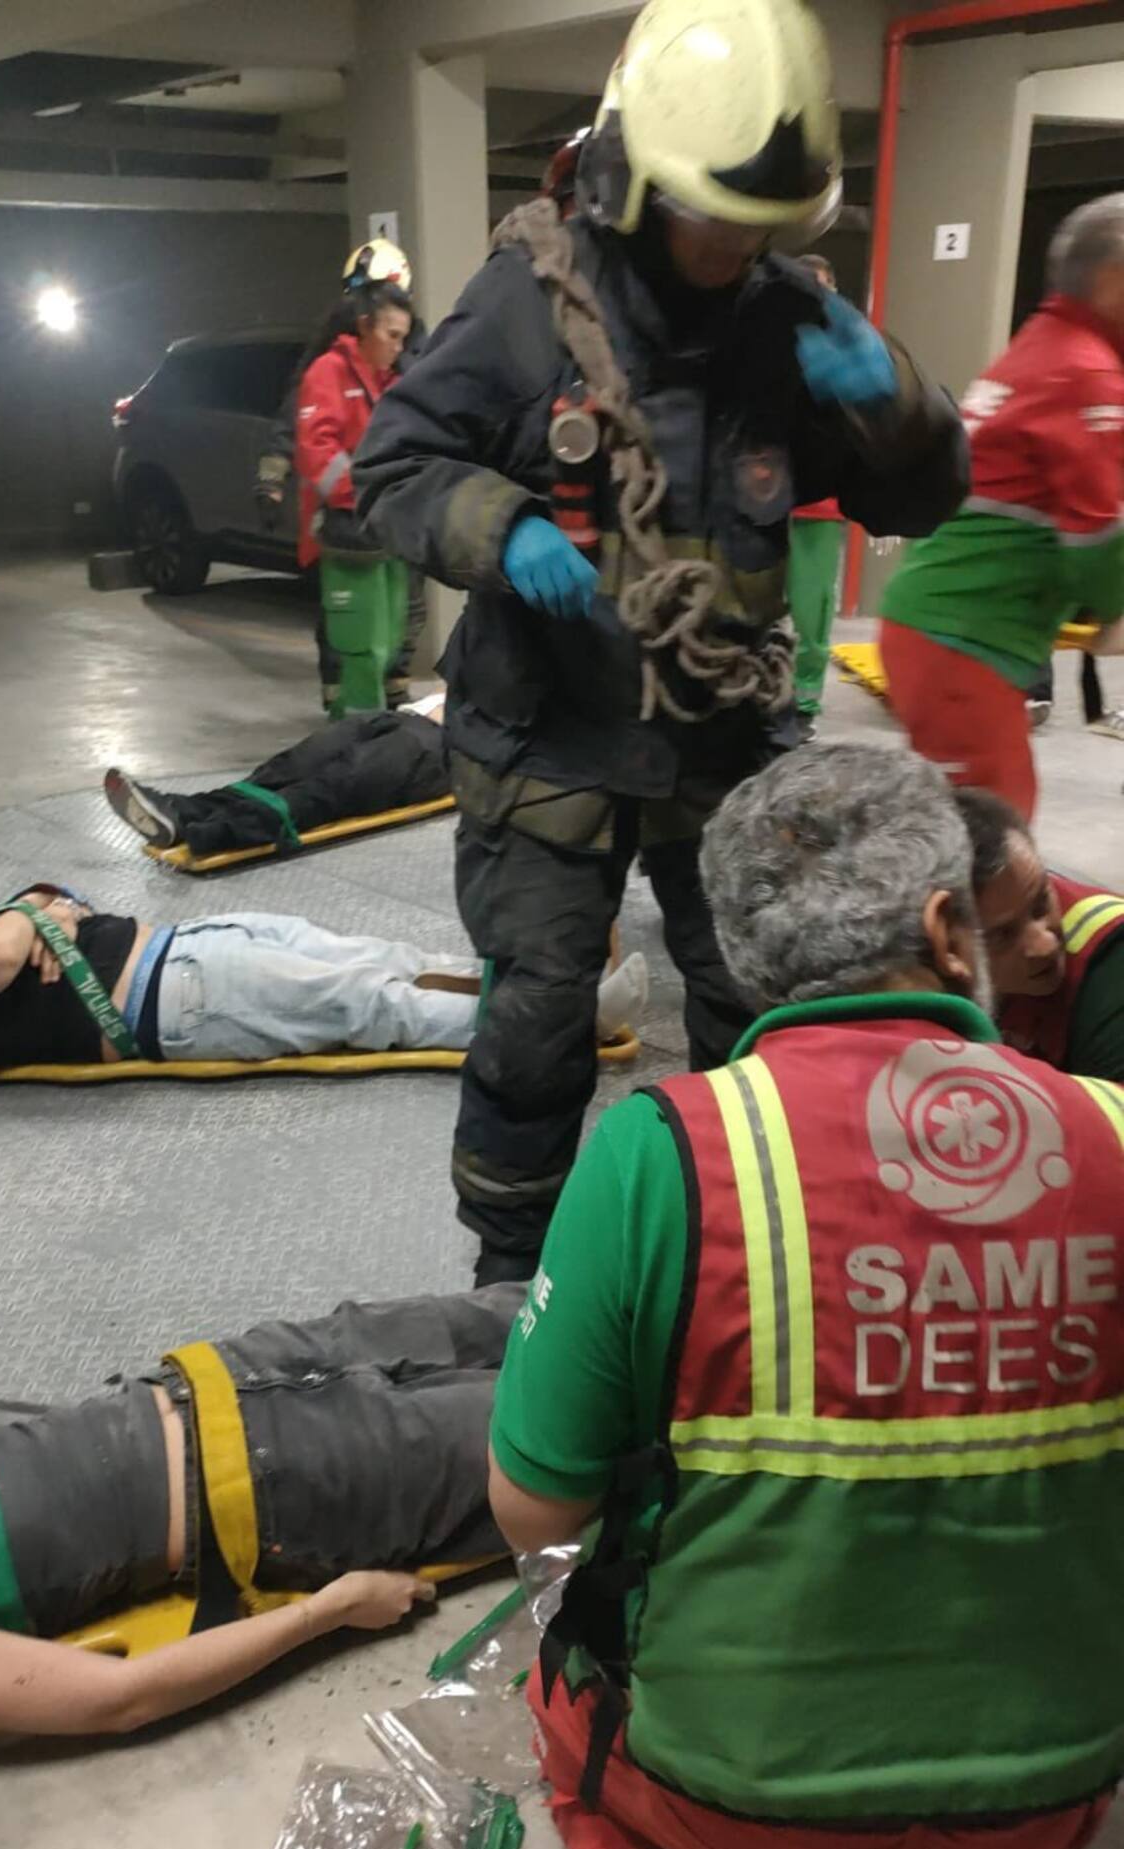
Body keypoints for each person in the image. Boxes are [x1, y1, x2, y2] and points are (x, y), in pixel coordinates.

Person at [487, 743, 1124, 1849]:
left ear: (748, 959)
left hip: (736, 1797)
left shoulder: (661, 1149)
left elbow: (533, 1511)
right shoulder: (1115, 1134)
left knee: (561, 1712)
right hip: (1056, 1788)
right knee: (989, 1746)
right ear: (952, 930)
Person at [353, 0, 968, 1286]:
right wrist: (501, 523)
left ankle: (735, 1249)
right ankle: (513, 1277)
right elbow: (392, 464)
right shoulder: (530, 302)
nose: (737, 246)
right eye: (716, 217)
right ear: (638, 180)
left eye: (762, 228)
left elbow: (912, 502)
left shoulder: (786, 319)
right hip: (553, 734)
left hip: (720, 731)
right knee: (539, 1014)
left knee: (759, 995)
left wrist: (896, 411)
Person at [0, 1286, 519, 1738]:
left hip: (224, 1372)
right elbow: (121, 1698)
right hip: (281, 1480)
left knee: (547, 1300)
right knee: (560, 1423)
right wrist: (328, 1613)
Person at [880, 193, 1124, 818]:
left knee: (970, 829)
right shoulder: (1085, 373)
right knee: (993, 844)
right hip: (962, 643)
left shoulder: (1043, 347)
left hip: (943, 634)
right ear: (1112, 280)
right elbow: (1101, 538)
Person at [0, 888, 648, 1075]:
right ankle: (565, 1018)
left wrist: (41, 913)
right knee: (370, 1002)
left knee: (381, 958)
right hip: (170, 999)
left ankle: (547, 985)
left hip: (181, 947)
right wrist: (25, 921)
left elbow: (30, 917)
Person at [255, 238, 428, 713]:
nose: (395, 341)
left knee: (399, 621)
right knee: (348, 629)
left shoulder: (405, 362)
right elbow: (302, 431)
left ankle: (389, 708)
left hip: (390, 524)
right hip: (343, 525)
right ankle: (349, 716)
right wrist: (271, 482)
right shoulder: (328, 368)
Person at [103, 702, 447, 859]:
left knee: (341, 781)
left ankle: (222, 831)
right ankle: (182, 811)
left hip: (449, 746)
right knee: (296, 763)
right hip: (406, 714)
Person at [297, 281, 416, 718]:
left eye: (403, 337)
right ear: (364, 326)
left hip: (384, 534)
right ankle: (356, 739)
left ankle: (369, 737)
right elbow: (318, 451)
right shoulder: (328, 373)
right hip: (349, 534)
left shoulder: (390, 382)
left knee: (386, 644)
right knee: (360, 649)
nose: (398, 347)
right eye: (392, 335)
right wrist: (370, 493)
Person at [955, 783, 1124, 1080]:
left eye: (1041, 903)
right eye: (1002, 935)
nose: (1045, 944)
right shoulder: (906, 961)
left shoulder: (1112, 964)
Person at [786, 254, 847, 731]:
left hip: (818, 510)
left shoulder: (848, 354)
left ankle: (805, 705)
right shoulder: (768, 346)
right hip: (764, 504)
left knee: (811, 617)